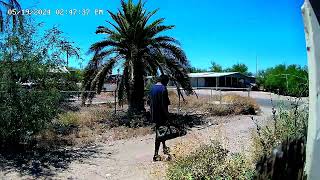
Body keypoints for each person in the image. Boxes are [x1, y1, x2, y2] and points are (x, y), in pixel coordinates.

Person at [150, 74, 171, 161]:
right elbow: (163, 105)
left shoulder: (152, 88)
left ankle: (164, 148)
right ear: (165, 81)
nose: (167, 84)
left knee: (162, 132)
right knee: (159, 134)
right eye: (167, 82)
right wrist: (168, 116)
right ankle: (155, 154)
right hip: (161, 115)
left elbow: (149, 101)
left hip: (154, 114)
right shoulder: (163, 88)